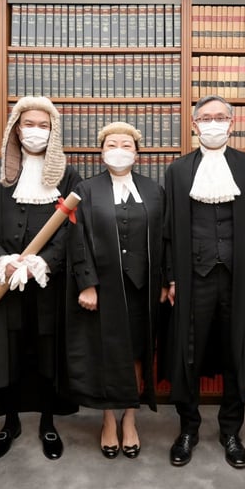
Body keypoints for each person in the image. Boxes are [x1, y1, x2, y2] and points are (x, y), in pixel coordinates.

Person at [0, 95, 81, 461]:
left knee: (46, 351)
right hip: (4, 280)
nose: (35, 132)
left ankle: (48, 421)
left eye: (43, 126)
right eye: (28, 124)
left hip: (49, 284)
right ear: (15, 127)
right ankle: (9, 421)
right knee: (8, 352)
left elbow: (71, 230)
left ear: (54, 131)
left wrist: (42, 263)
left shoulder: (67, 174)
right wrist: (2, 261)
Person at [161, 94, 245, 469]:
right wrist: (172, 277)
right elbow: (168, 232)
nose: (213, 123)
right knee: (188, 353)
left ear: (231, 123)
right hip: (193, 277)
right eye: (205, 117)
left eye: (220, 117)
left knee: (235, 352)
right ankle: (188, 428)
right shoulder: (177, 171)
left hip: (239, 278)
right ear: (194, 125)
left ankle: (230, 430)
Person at [66, 122, 166, 459]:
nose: (119, 149)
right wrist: (87, 284)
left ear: (136, 153)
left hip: (143, 287)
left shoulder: (154, 190)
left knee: (138, 351)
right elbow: (76, 241)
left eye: (126, 144)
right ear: (102, 150)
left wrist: (167, 281)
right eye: (112, 143)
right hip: (104, 288)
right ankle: (109, 419)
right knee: (107, 353)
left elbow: (166, 239)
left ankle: (131, 418)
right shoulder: (86, 189)